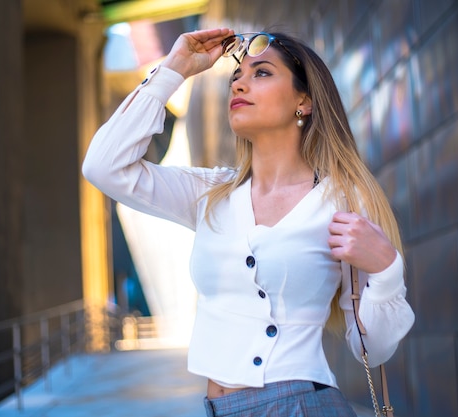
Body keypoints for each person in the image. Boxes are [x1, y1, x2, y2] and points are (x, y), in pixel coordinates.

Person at [83, 28, 415, 417]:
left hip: (304, 405)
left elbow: (370, 349)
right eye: (236, 76)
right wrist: (174, 69)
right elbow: (103, 167)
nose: (239, 83)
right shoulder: (212, 193)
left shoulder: (342, 200)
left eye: (261, 73)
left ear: (303, 101)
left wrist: (387, 269)